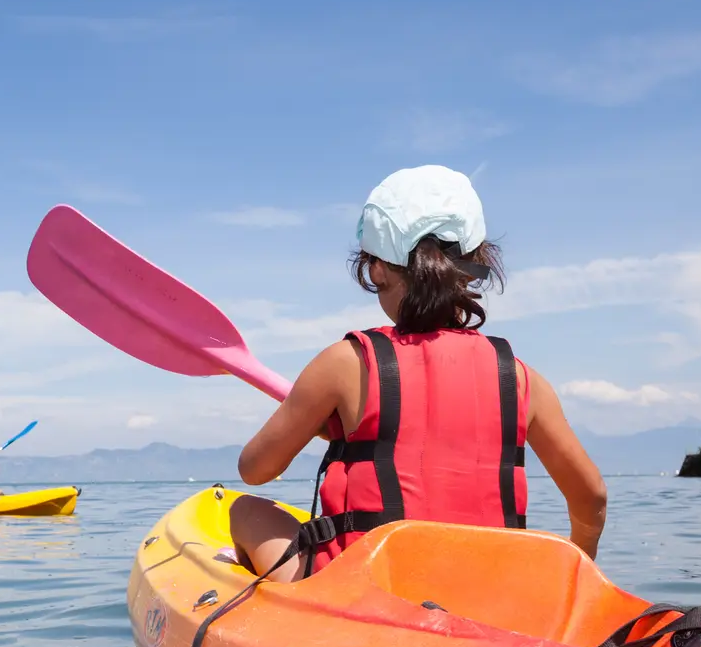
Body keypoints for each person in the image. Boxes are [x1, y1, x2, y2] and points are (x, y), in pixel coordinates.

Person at [229, 164, 607, 583]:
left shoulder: (344, 363)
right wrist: (579, 577)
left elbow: (255, 469)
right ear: (474, 265)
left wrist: (311, 415)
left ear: (377, 269)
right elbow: (591, 496)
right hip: (488, 591)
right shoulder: (521, 379)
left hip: (367, 593)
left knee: (245, 509)